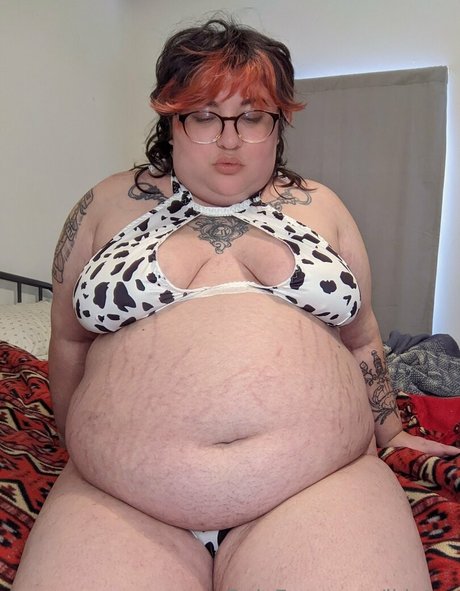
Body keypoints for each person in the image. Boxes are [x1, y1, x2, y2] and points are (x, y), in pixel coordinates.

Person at [12, 17, 458, 591]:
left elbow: (362, 334)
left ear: (278, 123)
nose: (229, 139)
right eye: (204, 116)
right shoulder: (103, 204)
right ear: (171, 119)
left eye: (252, 117)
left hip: (321, 487)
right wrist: (85, 441)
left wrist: (390, 431)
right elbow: (70, 337)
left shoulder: (322, 206)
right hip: (117, 500)